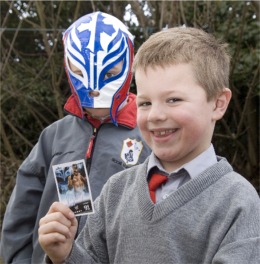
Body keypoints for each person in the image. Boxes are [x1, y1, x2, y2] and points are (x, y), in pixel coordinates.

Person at [38, 26, 260, 264]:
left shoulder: (239, 203)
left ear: (217, 104)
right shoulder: (115, 190)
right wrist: (66, 255)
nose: (155, 115)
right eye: (144, 103)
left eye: (173, 100)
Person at [0, 12, 151, 264]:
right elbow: (21, 215)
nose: (94, 90)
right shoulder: (56, 137)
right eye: (80, 71)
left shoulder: (147, 135)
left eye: (111, 72)